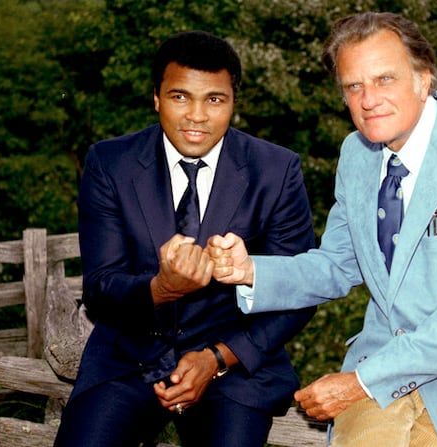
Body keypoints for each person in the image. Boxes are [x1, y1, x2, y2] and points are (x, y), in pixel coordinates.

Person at [207, 11, 437, 447]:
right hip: (384, 375)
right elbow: (338, 264)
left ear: (423, 78)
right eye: (353, 86)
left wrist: (359, 382)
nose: (368, 99)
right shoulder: (357, 154)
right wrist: (250, 271)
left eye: (384, 79)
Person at [53, 30, 316, 447]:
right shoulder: (110, 163)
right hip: (129, 359)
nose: (197, 115)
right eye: (180, 97)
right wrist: (160, 288)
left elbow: (299, 291)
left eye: (214, 99)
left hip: (234, 365)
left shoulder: (276, 170)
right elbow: (100, 289)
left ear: (233, 102)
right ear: (156, 97)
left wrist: (217, 358)